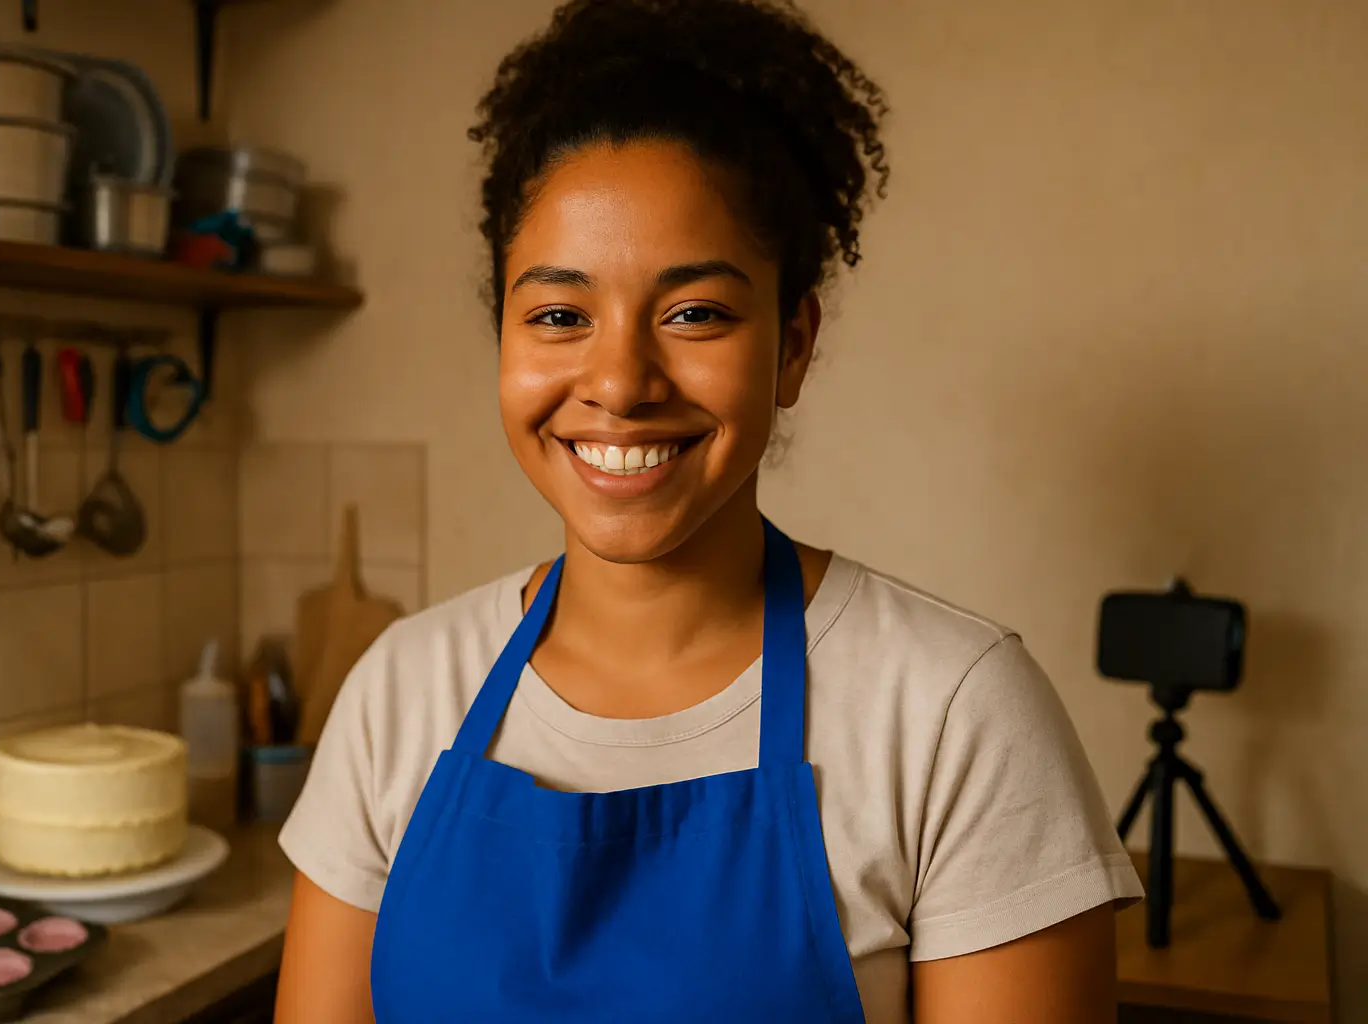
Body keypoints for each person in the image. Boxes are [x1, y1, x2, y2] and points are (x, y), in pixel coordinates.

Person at [274, 0, 1143, 1020]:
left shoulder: (955, 713)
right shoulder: (399, 695)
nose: (621, 379)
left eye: (695, 313)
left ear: (791, 345)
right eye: (559, 314)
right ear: (503, 341)